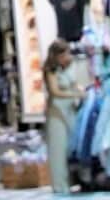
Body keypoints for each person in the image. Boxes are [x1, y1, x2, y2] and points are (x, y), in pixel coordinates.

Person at [44, 39, 83, 194]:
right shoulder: (50, 70)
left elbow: (74, 83)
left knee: (69, 148)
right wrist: (75, 94)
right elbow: (54, 91)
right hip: (57, 112)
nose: (68, 56)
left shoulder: (68, 67)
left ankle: (70, 181)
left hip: (70, 111)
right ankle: (60, 186)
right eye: (65, 53)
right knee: (58, 150)